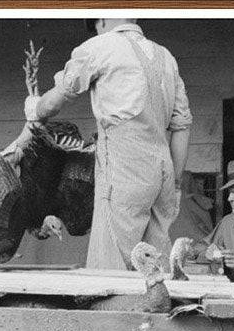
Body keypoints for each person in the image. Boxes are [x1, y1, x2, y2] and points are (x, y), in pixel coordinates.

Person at [24, 17, 192, 270]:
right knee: (156, 266)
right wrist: (175, 183)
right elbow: (182, 126)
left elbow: (54, 102)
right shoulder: (166, 57)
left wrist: (34, 107)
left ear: (101, 20)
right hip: (164, 173)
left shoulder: (100, 46)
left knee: (113, 270)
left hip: (124, 170)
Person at [169, 170, 215, 242]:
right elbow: (205, 211)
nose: (201, 186)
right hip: (194, 239)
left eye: (202, 184)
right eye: (198, 183)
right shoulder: (191, 200)